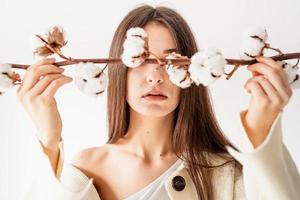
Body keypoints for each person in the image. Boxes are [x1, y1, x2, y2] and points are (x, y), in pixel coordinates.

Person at [18, 4, 299, 200]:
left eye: (170, 60)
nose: (155, 76)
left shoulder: (225, 173)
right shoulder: (85, 168)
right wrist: (48, 138)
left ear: (191, 72)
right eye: (141, 60)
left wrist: (262, 129)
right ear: (119, 69)